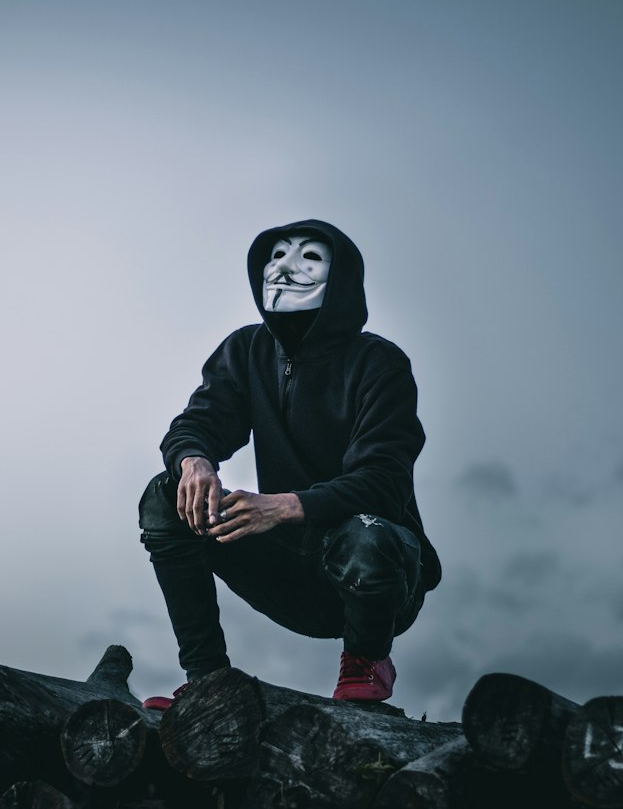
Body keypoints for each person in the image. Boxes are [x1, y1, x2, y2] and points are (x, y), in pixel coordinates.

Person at [138, 217, 440, 707]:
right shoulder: (246, 350)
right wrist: (194, 461)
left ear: (340, 280)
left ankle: (367, 660)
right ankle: (208, 682)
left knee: (366, 532)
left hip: (375, 579)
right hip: (287, 569)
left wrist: (281, 507)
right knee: (163, 494)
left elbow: (384, 480)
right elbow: (198, 423)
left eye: (310, 257)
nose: (285, 266)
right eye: (276, 255)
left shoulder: (380, 363)